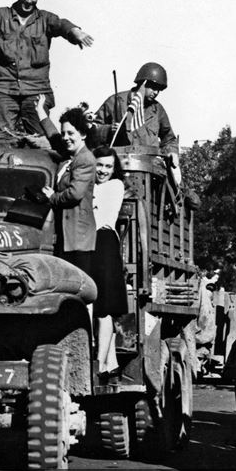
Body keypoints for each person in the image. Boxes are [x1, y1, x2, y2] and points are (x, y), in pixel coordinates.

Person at [0, 0, 93, 136]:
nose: (29, 1)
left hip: (36, 91)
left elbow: (62, 24)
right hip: (5, 89)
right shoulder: (2, 16)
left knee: (41, 140)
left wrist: (75, 32)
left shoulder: (45, 19)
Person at [93, 62, 180, 185]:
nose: (156, 93)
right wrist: (108, 130)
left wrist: (172, 152)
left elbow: (169, 138)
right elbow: (92, 130)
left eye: (158, 90)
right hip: (117, 169)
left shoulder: (158, 110)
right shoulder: (115, 101)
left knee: (182, 194)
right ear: (142, 83)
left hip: (150, 171)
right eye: (153, 87)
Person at [37, 100, 96, 274]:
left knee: (79, 283)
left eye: (71, 133)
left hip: (78, 237)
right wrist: (40, 111)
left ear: (83, 134)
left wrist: (52, 197)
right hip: (66, 233)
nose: (66, 138)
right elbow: (53, 135)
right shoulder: (69, 154)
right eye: (64, 133)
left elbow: (75, 194)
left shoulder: (85, 159)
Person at [89, 147, 128, 378]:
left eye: (108, 166)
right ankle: (111, 361)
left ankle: (101, 364)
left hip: (103, 242)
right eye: (99, 165)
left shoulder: (114, 186)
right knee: (101, 307)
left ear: (114, 170)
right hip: (92, 241)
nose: (103, 170)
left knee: (103, 307)